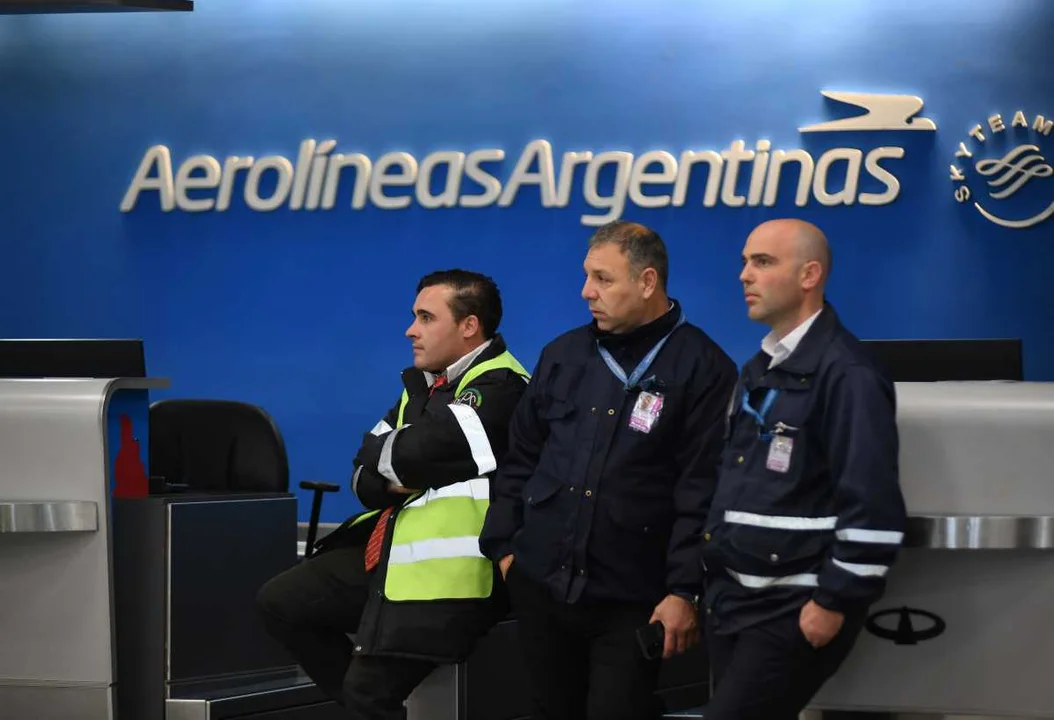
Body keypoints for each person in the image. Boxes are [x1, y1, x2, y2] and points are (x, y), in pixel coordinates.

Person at [479, 221, 738, 720]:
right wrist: (506, 548)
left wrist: (684, 590)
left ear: (647, 282)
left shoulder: (703, 368)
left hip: (633, 598)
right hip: (541, 586)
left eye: (603, 279)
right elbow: (520, 459)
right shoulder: (563, 354)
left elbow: (702, 490)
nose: (586, 292)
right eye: (586, 276)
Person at [255, 269, 530, 720]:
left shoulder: (503, 385)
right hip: (391, 560)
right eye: (414, 316)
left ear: (469, 326)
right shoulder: (421, 388)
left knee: (367, 696)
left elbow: (424, 452)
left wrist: (400, 460)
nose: (411, 330)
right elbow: (364, 473)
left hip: (454, 579)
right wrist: (399, 464)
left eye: (426, 317)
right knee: (280, 603)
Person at [700, 219, 908, 719]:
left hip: (792, 608)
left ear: (810, 274)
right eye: (745, 262)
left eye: (763, 262)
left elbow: (874, 506)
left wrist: (834, 601)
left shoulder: (848, 373)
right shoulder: (759, 369)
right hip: (734, 601)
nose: (745, 275)